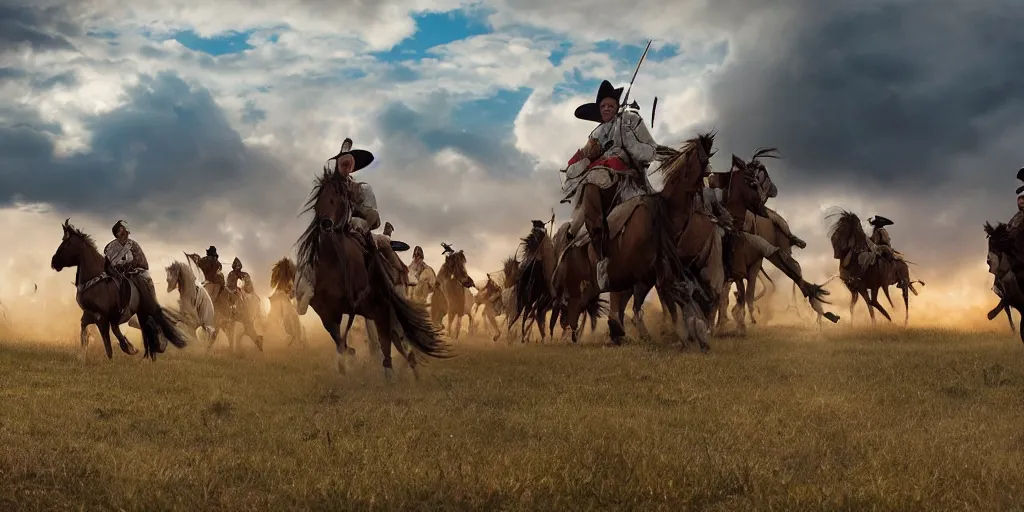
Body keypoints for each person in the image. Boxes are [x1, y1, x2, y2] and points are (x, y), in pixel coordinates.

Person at [561, 80, 658, 291]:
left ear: (617, 107)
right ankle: (600, 250)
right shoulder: (594, 135)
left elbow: (651, 151)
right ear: (599, 109)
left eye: (610, 105)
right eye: (603, 106)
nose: (607, 109)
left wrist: (630, 142)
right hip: (599, 181)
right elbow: (572, 168)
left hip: (628, 181)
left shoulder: (630, 120)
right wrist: (588, 157)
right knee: (591, 185)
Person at [328, 138, 408, 283]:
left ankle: (400, 279)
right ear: (338, 166)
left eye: (349, 166)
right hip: (329, 229)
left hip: (357, 230)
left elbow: (371, 214)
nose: (346, 168)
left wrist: (357, 222)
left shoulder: (361, 188)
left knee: (383, 242)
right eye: (344, 165)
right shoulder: (327, 188)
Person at [104, 220, 156, 298]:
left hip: (133, 273)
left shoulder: (133, 245)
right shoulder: (109, 247)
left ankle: (152, 304)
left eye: (126, 233)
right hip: (114, 275)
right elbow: (106, 263)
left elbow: (140, 261)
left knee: (146, 280)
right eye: (122, 233)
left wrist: (127, 268)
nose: (125, 236)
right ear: (116, 234)